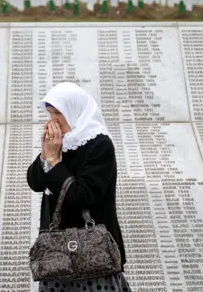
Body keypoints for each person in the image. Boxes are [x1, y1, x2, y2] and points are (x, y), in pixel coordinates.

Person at [27, 82, 132, 292]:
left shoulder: (99, 145)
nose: (53, 121)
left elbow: (82, 196)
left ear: (75, 111)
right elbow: (35, 182)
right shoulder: (62, 143)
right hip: (57, 255)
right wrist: (45, 155)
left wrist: (56, 161)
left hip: (93, 252)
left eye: (59, 113)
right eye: (50, 114)